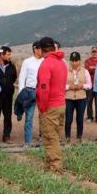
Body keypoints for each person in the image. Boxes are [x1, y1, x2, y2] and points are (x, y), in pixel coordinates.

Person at [36, 37, 68, 172]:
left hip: (50, 106)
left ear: (40, 50)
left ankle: (55, 169)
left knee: (50, 139)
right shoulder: (62, 63)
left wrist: (42, 107)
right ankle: (48, 167)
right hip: (61, 104)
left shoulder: (46, 64)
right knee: (54, 136)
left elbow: (44, 89)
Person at [17, 41, 43, 148]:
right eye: (40, 48)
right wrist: (21, 95)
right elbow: (22, 78)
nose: (41, 51)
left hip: (42, 91)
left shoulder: (45, 61)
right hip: (29, 91)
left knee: (44, 117)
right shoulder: (27, 62)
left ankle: (43, 140)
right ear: (35, 49)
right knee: (29, 118)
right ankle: (28, 142)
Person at [64, 51, 91, 144]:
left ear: (80, 61)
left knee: (79, 118)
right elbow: (62, 85)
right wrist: (69, 87)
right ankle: (67, 137)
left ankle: (79, 137)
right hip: (69, 98)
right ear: (70, 61)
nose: (74, 63)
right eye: (72, 61)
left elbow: (89, 85)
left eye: (76, 61)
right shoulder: (65, 71)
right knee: (68, 118)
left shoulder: (85, 71)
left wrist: (82, 86)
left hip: (81, 98)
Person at [0, 46, 18, 143]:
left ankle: (6, 136)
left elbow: (14, 77)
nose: (10, 56)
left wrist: (7, 86)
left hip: (8, 95)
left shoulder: (11, 66)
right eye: (8, 54)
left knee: (8, 116)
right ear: (1, 55)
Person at [84, 47, 97, 123]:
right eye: (93, 51)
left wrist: (93, 68)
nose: (94, 53)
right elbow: (87, 70)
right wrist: (95, 68)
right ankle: (90, 116)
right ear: (91, 52)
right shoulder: (87, 61)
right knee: (89, 101)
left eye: (95, 51)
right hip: (90, 85)